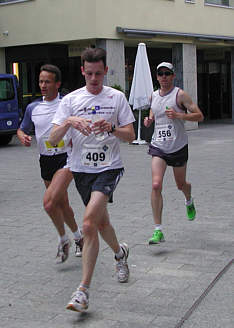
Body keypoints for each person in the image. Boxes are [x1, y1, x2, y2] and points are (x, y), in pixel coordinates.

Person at [49, 47, 135, 312]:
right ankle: (120, 254)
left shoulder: (116, 97)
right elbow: (53, 139)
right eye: (90, 74)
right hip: (81, 170)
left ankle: (82, 291)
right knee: (101, 224)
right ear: (82, 71)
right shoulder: (71, 101)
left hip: (109, 168)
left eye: (99, 73)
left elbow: (130, 135)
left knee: (88, 225)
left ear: (106, 71)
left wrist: (110, 127)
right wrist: (70, 122)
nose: (94, 79)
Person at [17, 64, 83, 263]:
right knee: (62, 203)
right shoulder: (32, 108)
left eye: (47, 81)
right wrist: (22, 137)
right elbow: (22, 129)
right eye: (40, 81)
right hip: (45, 160)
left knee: (50, 202)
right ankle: (79, 237)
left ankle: (63, 239)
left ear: (57, 83)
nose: (43, 85)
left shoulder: (67, 104)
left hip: (66, 159)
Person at [144, 62, 204, 245]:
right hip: (159, 146)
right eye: (160, 74)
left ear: (173, 76)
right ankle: (158, 230)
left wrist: (180, 116)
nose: (163, 77)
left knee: (180, 184)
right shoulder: (153, 95)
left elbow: (199, 115)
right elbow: (153, 110)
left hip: (178, 147)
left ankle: (188, 199)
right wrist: (149, 119)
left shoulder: (180, 95)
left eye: (167, 73)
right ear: (157, 77)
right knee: (156, 185)